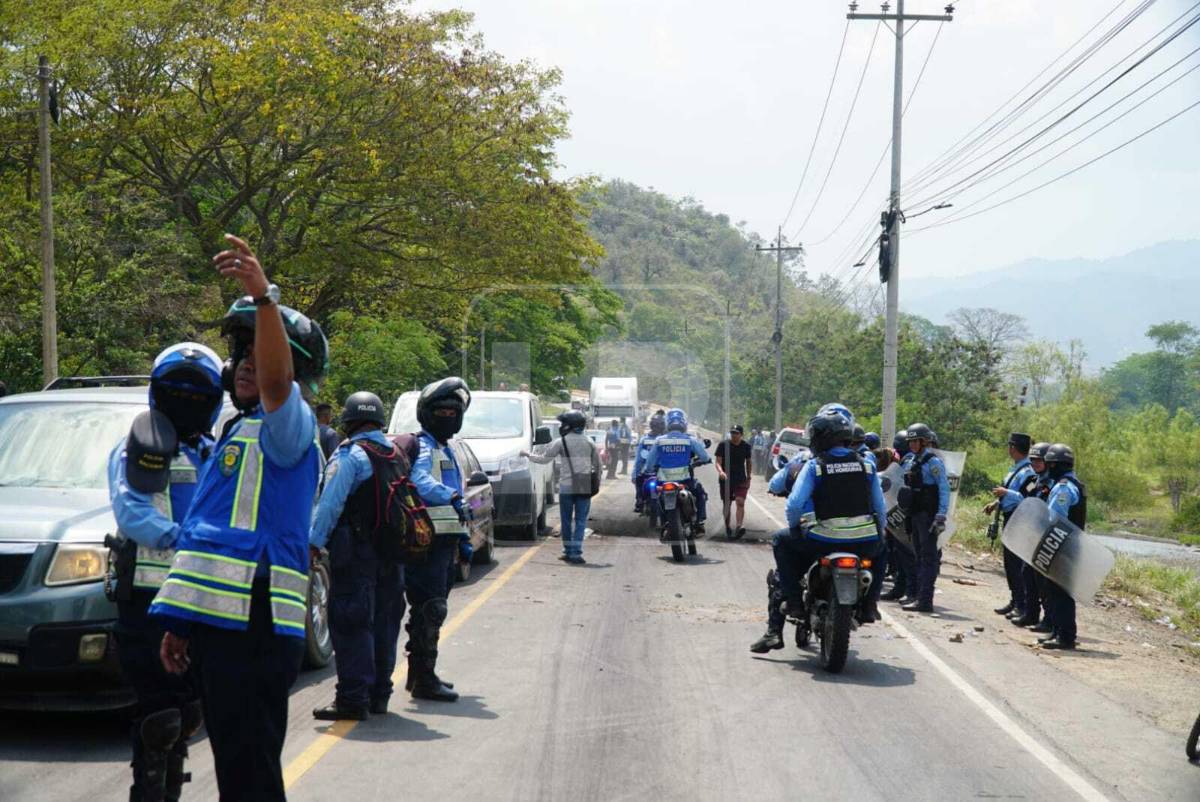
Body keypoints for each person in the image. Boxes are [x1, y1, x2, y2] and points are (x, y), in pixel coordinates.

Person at [150, 235, 328, 801]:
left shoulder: (288, 427)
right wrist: (184, 621)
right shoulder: (235, 430)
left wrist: (264, 298)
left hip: (254, 625)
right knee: (235, 764)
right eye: (241, 352)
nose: (247, 363)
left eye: (260, 351)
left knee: (250, 772)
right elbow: (209, 538)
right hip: (222, 625)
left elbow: (278, 384)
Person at [108, 342, 224, 802]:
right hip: (146, 601)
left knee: (189, 712)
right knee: (159, 719)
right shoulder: (137, 448)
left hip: (203, 597)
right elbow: (131, 511)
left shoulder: (218, 451)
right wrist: (181, 538)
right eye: (177, 390)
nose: (186, 401)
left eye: (198, 394)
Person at [750, 409, 886, 653]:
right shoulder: (867, 466)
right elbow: (880, 508)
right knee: (883, 547)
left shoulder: (814, 465)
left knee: (781, 542)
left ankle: (792, 606)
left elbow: (793, 504)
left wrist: (795, 529)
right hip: (862, 542)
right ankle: (870, 605)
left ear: (821, 437)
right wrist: (878, 532)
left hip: (822, 540)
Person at [309, 392, 409, 720]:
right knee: (386, 622)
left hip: (356, 554)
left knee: (352, 622)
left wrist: (314, 544)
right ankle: (379, 694)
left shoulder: (350, 455)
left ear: (350, 421)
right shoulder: (396, 452)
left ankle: (353, 698)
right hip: (392, 553)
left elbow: (329, 503)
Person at [402, 377, 473, 702]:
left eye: (452, 410)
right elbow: (418, 480)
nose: (448, 416)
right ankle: (423, 678)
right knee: (431, 609)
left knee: (431, 609)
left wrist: (462, 538)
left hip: (444, 540)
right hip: (426, 542)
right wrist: (451, 495)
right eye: (442, 410)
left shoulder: (446, 448)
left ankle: (420, 675)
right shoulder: (425, 446)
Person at [523, 410, 600, 564]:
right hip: (583, 486)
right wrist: (596, 485)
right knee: (580, 521)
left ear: (569, 425)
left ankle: (567, 550)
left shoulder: (561, 442)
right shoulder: (589, 442)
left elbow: (544, 459)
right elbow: (598, 466)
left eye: (564, 423)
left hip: (566, 487)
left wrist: (527, 454)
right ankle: (576, 553)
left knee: (566, 520)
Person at [898, 423, 950, 613]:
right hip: (915, 513)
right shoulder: (913, 460)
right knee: (918, 556)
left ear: (924, 441)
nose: (912, 444)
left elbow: (944, 489)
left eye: (915, 441)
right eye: (910, 441)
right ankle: (917, 596)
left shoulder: (933, 462)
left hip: (928, 515)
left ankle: (925, 600)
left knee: (928, 558)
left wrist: (941, 515)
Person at [1038, 444, 1086, 650]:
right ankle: (1058, 632)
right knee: (1055, 590)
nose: (1047, 467)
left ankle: (1065, 637)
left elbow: (1055, 519)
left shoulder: (1063, 487)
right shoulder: (1071, 483)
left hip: (1062, 544)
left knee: (1060, 592)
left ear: (1055, 465)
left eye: (1049, 464)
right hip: (1069, 544)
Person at [987, 433, 1039, 624]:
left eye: (1010, 445)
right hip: (1009, 515)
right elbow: (1011, 492)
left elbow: (1027, 497)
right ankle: (1015, 599)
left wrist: (1005, 492)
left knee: (1016, 563)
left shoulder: (1029, 472)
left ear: (1013, 447)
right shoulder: (1016, 469)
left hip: (1020, 518)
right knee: (1009, 563)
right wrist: (996, 503)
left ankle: (1022, 604)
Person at [643, 408, 710, 533]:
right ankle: (699, 522)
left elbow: (649, 464)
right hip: (684, 481)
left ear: (668, 424)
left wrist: (649, 469)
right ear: (684, 424)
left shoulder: (659, 441)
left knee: (656, 497)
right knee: (701, 494)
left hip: (663, 481)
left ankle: (663, 523)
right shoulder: (689, 440)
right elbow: (705, 457)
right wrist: (704, 460)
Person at [1023, 443, 1056, 636]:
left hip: (1045, 535)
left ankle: (1049, 619)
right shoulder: (1034, 480)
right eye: (1032, 460)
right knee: (1028, 574)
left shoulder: (1052, 483)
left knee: (1044, 581)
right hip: (1032, 532)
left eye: (1038, 460)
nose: (1034, 463)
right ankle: (1031, 612)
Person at [715, 424, 753, 539]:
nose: (734, 435)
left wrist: (749, 477)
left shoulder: (746, 446)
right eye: (732, 433)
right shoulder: (723, 445)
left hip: (740, 479)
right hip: (726, 479)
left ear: (741, 435)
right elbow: (718, 462)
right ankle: (727, 527)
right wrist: (721, 472)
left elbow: (749, 462)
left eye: (736, 433)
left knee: (740, 502)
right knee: (727, 504)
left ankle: (739, 527)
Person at [631, 413, 666, 513]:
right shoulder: (664, 439)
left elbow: (638, 460)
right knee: (638, 479)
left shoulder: (644, 440)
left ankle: (639, 501)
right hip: (659, 470)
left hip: (651, 471)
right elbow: (638, 459)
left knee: (638, 479)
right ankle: (640, 500)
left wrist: (635, 474)